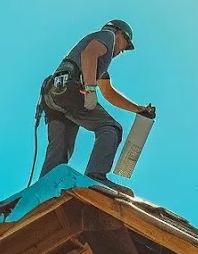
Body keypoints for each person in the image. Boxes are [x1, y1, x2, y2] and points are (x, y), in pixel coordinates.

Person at [37, 19, 156, 195]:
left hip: (54, 96)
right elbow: (90, 53)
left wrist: (139, 109)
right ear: (118, 33)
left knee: (60, 150)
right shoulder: (107, 37)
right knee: (110, 128)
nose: (122, 50)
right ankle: (96, 177)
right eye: (125, 44)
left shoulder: (96, 66)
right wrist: (91, 89)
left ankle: (43, 190)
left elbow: (109, 93)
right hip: (70, 90)